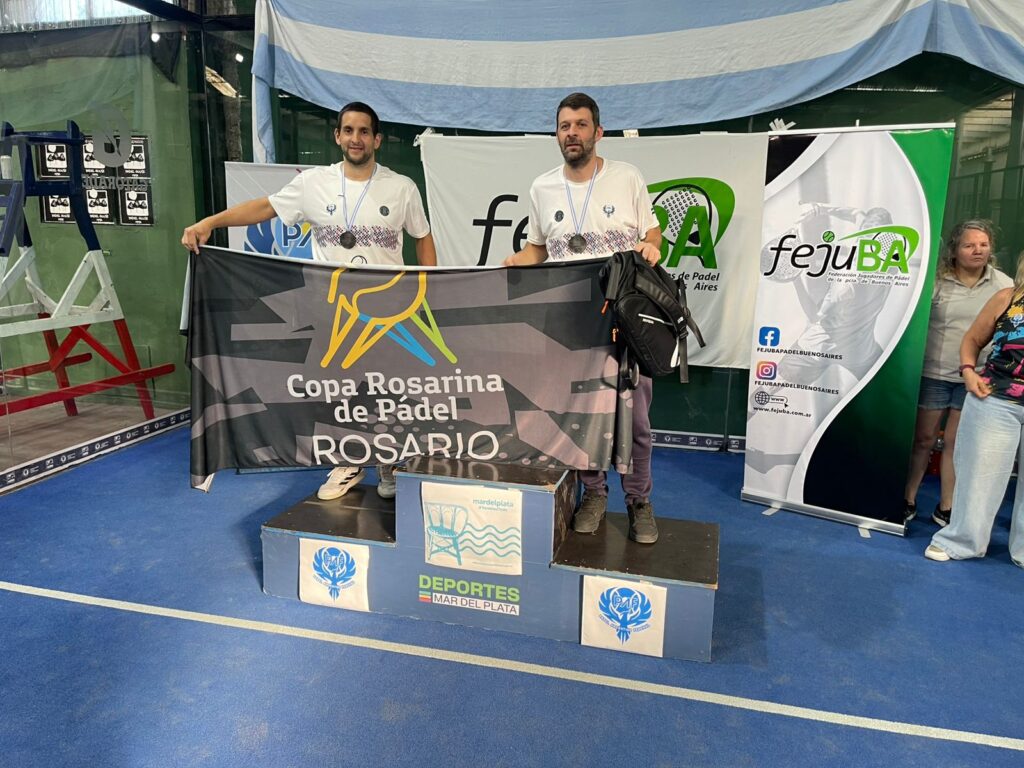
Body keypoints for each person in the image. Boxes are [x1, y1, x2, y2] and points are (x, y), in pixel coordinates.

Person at [182, 101, 437, 501]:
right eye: (348, 130)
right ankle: (348, 462)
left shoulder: (402, 187)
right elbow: (265, 207)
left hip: (386, 312)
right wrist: (210, 222)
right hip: (330, 311)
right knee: (340, 392)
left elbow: (422, 238)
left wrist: (427, 291)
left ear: (377, 140)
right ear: (337, 136)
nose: (356, 138)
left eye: (364, 131)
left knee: (387, 391)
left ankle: (389, 462)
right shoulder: (313, 183)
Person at [504, 92, 663, 543]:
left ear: (598, 132)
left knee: (637, 422)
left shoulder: (626, 177)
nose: (571, 133)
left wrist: (652, 247)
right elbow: (538, 249)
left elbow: (652, 233)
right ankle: (593, 493)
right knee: (580, 415)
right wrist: (514, 263)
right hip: (570, 324)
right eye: (564, 126)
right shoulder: (542, 187)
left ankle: (638, 500)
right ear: (556, 134)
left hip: (626, 321)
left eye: (580, 124)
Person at [903, 221, 1011, 526]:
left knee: (956, 444)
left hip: (977, 378)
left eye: (983, 244)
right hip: (934, 373)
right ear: (954, 250)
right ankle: (908, 497)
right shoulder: (936, 282)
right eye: (969, 245)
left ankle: (947, 506)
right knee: (923, 440)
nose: (978, 250)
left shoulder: (1003, 285)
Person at [924, 250, 1024, 567]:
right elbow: (972, 339)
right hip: (996, 398)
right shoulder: (1007, 297)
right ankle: (961, 541)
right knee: (979, 476)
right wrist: (968, 371)